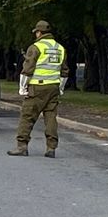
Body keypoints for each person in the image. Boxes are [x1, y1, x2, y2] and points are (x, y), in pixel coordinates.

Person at [7, 20, 68, 158]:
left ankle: (22, 146)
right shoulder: (60, 48)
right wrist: (61, 88)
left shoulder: (35, 47)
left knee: (27, 116)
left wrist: (22, 88)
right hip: (53, 87)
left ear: (39, 33)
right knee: (51, 117)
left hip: (37, 87)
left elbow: (27, 70)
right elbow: (64, 72)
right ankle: (51, 148)